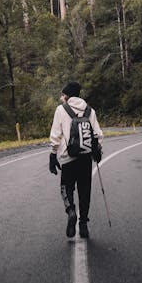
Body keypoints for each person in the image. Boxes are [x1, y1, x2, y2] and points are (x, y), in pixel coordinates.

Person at [49, 81, 103, 238]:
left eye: (62, 94)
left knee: (66, 188)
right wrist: (97, 150)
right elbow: (97, 133)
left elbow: (55, 134)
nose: (61, 97)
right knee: (84, 190)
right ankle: (83, 224)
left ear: (66, 95)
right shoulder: (90, 110)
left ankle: (71, 211)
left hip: (68, 158)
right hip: (85, 158)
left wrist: (53, 154)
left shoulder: (61, 110)